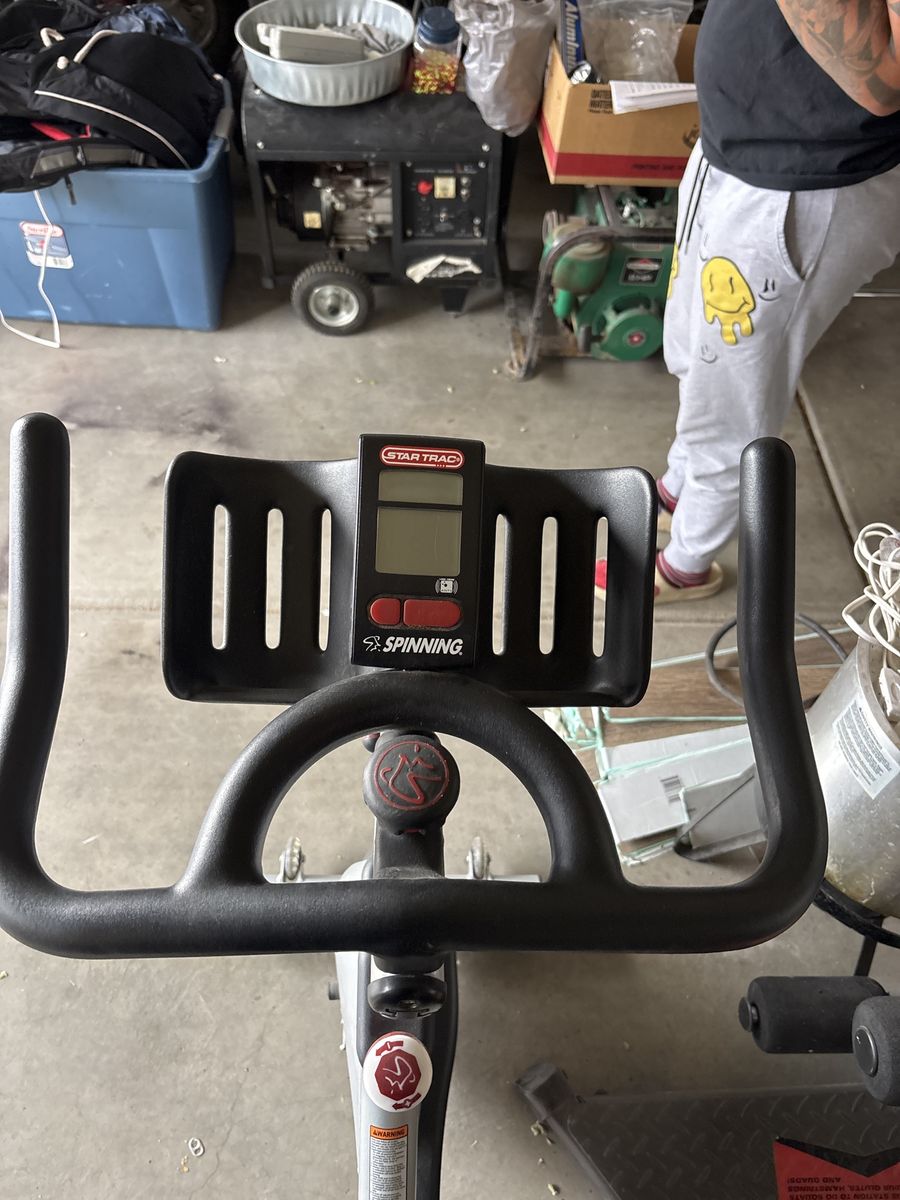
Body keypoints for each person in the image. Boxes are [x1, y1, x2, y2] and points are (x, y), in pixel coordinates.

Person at [596, 0, 900, 605]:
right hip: (735, 144)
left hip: (805, 182)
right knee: (695, 353)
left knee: (734, 410)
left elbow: (884, 81)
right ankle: (681, 485)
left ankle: (687, 563)